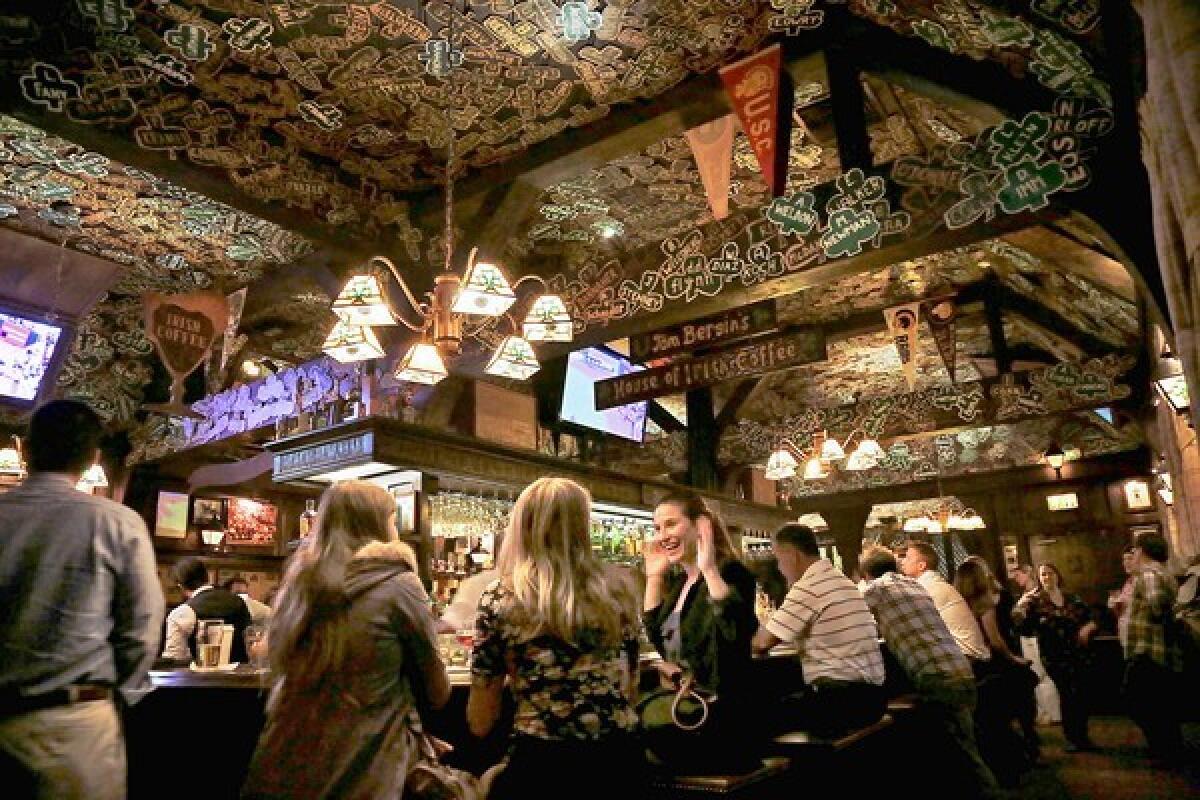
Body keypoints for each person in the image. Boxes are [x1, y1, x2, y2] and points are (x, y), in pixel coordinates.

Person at [242, 480, 450, 798]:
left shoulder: (299, 585)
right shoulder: (399, 582)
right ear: (379, 525)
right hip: (365, 767)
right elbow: (437, 692)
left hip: (286, 762)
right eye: (393, 520)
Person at [0, 400, 164, 800]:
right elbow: (142, 629)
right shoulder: (116, 522)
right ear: (93, 457)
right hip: (77, 725)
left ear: (24, 448)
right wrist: (121, 693)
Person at [467, 478, 643, 798]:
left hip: (544, 765)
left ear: (521, 526)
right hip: (620, 761)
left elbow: (481, 720)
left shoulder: (502, 597)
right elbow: (630, 688)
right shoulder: (620, 590)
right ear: (583, 527)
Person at [859, 546, 1000, 799]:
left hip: (938, 679)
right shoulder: (916, 587)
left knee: (965, 758)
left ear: (866, 574)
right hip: (961, 670)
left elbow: (844, 611)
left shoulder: (875, 590)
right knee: (963, 751)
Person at [642, 490, 758, 769]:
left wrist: (708, 568)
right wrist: (654, 578)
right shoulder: (682, 583)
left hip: (720, 718)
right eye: (657, 528)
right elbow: (659, 640)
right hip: (687, 711)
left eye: (671, 524)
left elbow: (736, 631)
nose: (662, 535)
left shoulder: (730, 574)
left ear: (700, 526)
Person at [753, 524, 886, 736]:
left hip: (843, 700)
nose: (779, 567)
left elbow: (761, 643)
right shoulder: (839, 579)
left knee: (754, 718)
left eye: (779, 559)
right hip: (873, 697)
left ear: (793, 555)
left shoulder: (810, 586)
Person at [954, 557, 1038, 778]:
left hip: (974, 663)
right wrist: (1014, 659)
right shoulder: (985, 602)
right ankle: (1026, 748)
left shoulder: (957, 603)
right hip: (995, 661)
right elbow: (995, 639)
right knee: (1020, 696)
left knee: (991, 717)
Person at [1013, 562, 1098, 752]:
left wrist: (1088, 627)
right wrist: (1020, 609)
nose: (1046, 578)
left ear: (1057, 575)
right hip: (1054, 655)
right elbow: (1024, 630)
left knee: (1080, 694)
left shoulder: (1071, 597)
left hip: (1078, 652)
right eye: (1042, 575)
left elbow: (1091, 618)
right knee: (1067, 693)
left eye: (1050, 573)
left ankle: (1082, 735)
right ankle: (1072, 737)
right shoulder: (1036, 601)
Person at [1123, 531, 1184, 762]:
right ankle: (1168, 748)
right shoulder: (1163, 572)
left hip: (1147, 649)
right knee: (1160, 702)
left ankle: (1163, 749)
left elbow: (1158, 605)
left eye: (1135, 550)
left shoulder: (1148, 573)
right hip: (1160, 649)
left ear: (1143, 551)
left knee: (1136, 700)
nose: (1133, 554)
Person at [900, 541, 991, 663]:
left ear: (921, 566)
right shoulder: (932, 583)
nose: (902, 561)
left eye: (908, 557)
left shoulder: (928, 587)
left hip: (968, 658)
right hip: (966, 655)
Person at [162, 557, 251, 664]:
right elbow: (249, 643)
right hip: (241, 677)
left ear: (180, 586)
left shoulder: (182, 612)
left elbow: (174, 659)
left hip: (200, 679)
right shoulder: (239, 602)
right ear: (206, 576)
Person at [1109, 547, 1137, 648]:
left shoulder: (1142, 581)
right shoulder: (1127, 583)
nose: (1126, 562)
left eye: (1130, 558)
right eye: (1124, 559)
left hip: (1139, 636)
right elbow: (1121, 614)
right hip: (1126, 637)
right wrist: (1115, 606)